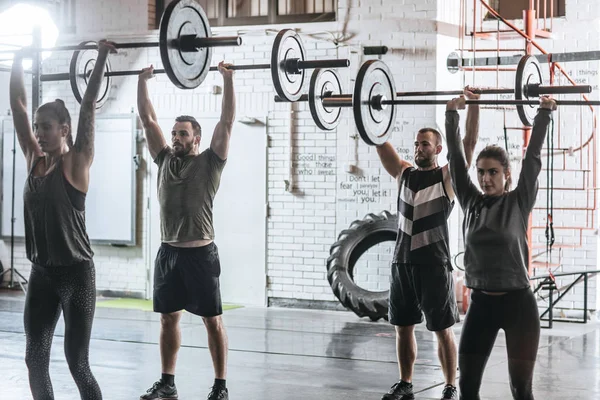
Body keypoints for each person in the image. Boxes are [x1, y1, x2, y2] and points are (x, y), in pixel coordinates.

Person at [10, 40, 116, 400]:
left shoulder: (76, 163)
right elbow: (19, 107)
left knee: (77, 363)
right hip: (41, 273)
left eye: (47, 127)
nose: (39, 133)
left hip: (76, 274)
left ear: (65, 129)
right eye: (38, 127)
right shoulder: (33, 160)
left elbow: (88, 108)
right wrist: (17, 61)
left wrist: (100, 57)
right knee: (34, 359)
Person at [445, 95, 556, 400]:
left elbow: (532, 158)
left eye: (492, 171)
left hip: (518, 306)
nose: (485, 178)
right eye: (480, 171)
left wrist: (543, 113)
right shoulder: (471, 202)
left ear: (507, 174)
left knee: (521, 390)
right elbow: (456, 160)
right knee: (466, 389)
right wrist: (452, 114)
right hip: (481, 305)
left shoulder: (518, 202)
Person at [137, 61, 235, 400]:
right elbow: (148, 120)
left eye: (183, 133)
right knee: (168, 320)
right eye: (174, 132)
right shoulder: (163, 159)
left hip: (200, 254)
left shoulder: (210, 161)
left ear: (196, 137)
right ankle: (168, 381)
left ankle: (220, 386)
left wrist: (227, 79)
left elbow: (227, 121)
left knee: (212, 321)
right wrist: (142, 82)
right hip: (168, 253)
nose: (176, 137)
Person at [377, 88, 480, 400]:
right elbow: (377, 139)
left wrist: (473, 106)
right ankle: (406, 383)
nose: (418, 147)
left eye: (424, 143)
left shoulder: (446, 178)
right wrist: (368, 106)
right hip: (401, 263)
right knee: (402, 327)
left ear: (437, 149)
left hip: (433, 264)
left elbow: (469, 146)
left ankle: (450, 387)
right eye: (416, 143)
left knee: (441, 329)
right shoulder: (404, 173)